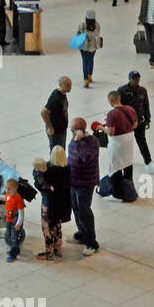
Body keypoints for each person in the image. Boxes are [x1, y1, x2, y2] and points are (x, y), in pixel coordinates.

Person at [68, 118, 100, 257]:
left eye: (73, 130)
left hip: (85, 183)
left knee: (84, 212)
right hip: (73, 181)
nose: (71, 132)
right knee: (76, 209)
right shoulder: (75, 139)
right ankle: (82, 233)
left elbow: (86, 158)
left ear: (80, 129)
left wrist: (78, 142)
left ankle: (91, 243)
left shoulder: (91, 142)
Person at [34, 146, 71, 261]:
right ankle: (58, 248)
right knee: (57, 225)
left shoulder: (49, 171)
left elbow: (39, 185)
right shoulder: (67, 168)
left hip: (49, 203)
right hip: (62, 204)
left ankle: (49, 252)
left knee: (47, 227)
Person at [104, 89, 139, 200]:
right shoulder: (130, 109)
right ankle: (129, 190)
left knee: (116, 167)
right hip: (129, 140)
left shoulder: (112, 114)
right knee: (128, 164)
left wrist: (102, 128)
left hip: (117, 143)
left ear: (111, 100)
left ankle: (117, 194)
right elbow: (135, 125)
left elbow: (111, 132)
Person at [118, 70, 153, 170]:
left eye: (138, 79)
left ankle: (148, 162)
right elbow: (118, 106)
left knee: (142, 141)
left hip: (140, 121)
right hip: (127, 122)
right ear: (129, 79)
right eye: (134, 79)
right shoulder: (122, 90)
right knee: (125, 141)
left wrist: (148, 119)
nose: (136, 81)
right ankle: (123, 161)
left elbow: (146, 105)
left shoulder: (143, 90)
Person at [0, 177, 24, 262]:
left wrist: (18, 224)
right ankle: (16, 250)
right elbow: (5, 197)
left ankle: (13, 255)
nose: (7, 190)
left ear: (15, 189)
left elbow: (21, 213)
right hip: (9, 219)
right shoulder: (9, 195)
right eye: (6, 188)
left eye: (9, 188)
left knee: (13, 238)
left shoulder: (18, 199)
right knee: (8, 235)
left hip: (15, 220)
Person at [41, 76, 72, 149]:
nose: (70, 87)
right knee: (56, 154)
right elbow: (44, 112)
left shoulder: (63, 94)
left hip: (62, 129)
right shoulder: (56, 98)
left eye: (70, 85)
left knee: (61, 152)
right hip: (56, 132)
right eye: (68, 85)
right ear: (61, 85)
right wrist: (50, 127)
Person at [74, 10, 102, 88]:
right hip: (93, 47)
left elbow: (77, 34)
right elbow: (98, 35)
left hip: (83, 47)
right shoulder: (97, 25)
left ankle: (85, 80)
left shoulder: (82, 25)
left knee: (85, 61)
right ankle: (90, 77)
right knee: (91, 60)